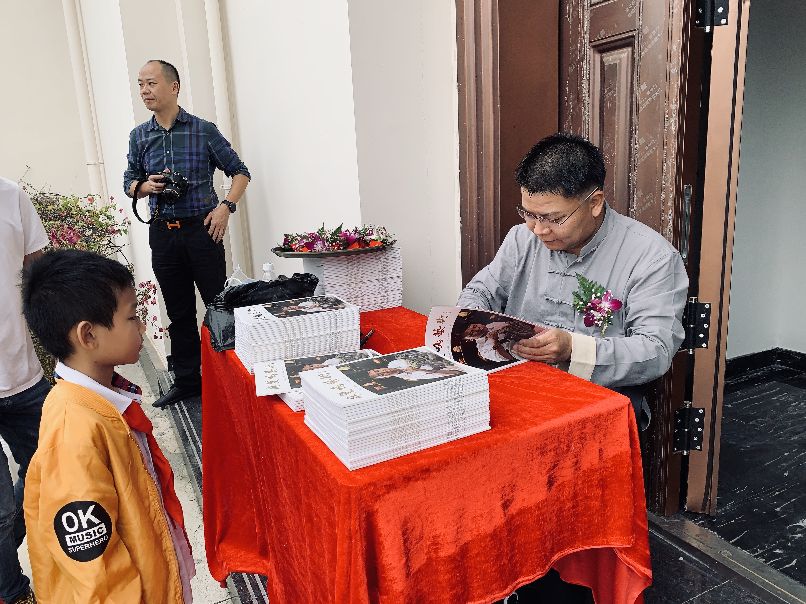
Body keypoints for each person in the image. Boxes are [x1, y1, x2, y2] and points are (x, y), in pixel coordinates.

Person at [458, 133, 689, 428]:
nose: (538, 229)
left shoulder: (651, 258)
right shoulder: (522, 238)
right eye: (529, 214)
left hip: (596, 407)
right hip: (518, 388)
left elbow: (655, 351)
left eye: (553, 218)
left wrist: (572, 349)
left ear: (594, 203)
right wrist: (470, 321)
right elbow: (481, 291)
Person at [20, 250, 195, 602]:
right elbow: (95, 570)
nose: (143, 326)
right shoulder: (73, 431)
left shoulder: (105, 402)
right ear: (88, 336)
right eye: (132, 317)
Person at [123, 59, 251, 408]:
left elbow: (240, 172)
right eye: (140, 84)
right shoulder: (139, 136)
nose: (144, 91)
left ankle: (229, 381)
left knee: (218, 307)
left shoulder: (202, 130)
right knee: (178, 312)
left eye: (150, 83)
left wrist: (226, 207)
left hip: (202, 230)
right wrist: (145, 186)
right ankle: (188, 382)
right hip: (164, 234)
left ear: (173, 86)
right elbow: (128, 182)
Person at [0, 177, 50, 604]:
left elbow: (39, 278)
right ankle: (13, 592)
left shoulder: (12, 196)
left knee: (46, 474)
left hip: (22, 374)